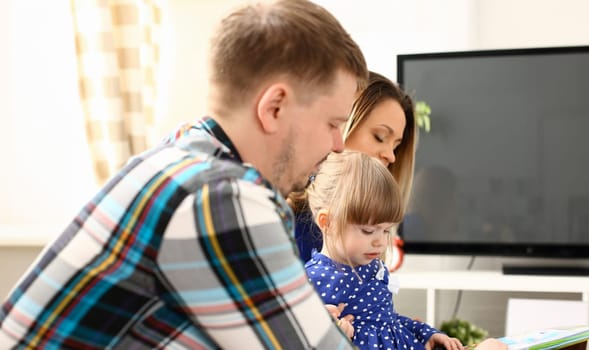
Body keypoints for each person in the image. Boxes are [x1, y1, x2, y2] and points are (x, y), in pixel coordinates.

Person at [0, 0, 368, 348]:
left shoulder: (176, 154)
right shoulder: (221, 198)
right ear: (274, 107)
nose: (338, 144)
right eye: (333, 123)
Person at [304, 151, 509, 350]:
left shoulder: (372, 266)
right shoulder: (312, 279)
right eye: (368, 231)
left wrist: (426, 333)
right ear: (327, 222)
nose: (380, 242)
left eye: (386, 230)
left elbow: (388, 320)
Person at [290, 71, 417, 265]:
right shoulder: (289, 219)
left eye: (396, 146)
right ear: (342, 124)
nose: (391, 156)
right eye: (380, 137)